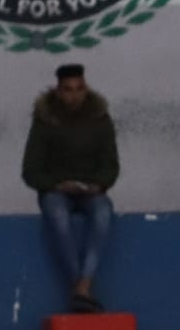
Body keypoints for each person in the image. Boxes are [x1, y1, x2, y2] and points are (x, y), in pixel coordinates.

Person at [21, 62, 120, 312]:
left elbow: (111, 164)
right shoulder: (45, 121)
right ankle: (81, 286)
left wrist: (99, 184)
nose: (74, 96)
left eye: (79, 89)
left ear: (86, 89)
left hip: (91, 190)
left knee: (103, 213)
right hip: (56, 191)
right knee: (57, 215)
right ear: (58, 91)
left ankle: (83, 283)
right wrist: (56, 185)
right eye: (68, 90)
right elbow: (30, 171)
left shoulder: (99, 119)